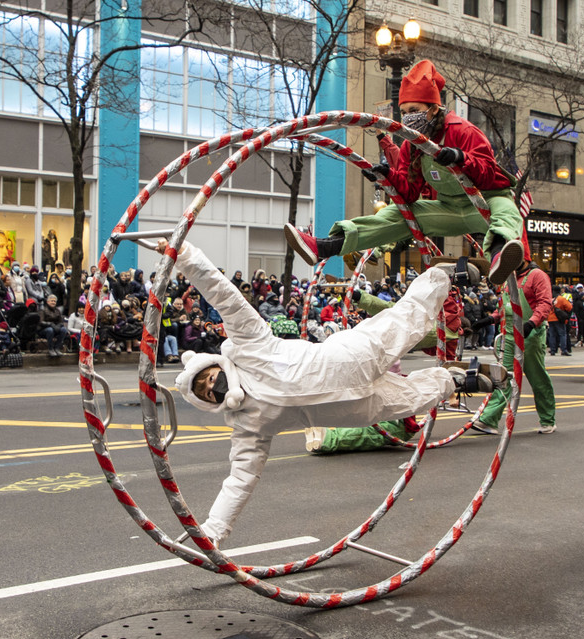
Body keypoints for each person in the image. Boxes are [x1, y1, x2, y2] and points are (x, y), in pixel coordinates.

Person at [162, 239, 502, 545]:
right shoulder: (247, 426)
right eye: (204, 392)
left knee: (406, 323)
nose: (210, 387)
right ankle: (454, 380)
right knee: (410, 399)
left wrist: (185, 256)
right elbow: (240, 479)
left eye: (207, 378)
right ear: (207, 402)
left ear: (216, 365)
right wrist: (212, 530)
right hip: (355, 410)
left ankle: (442, 276)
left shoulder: (249, 346)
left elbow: (224, 295)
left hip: (350, 359)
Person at [283, 60, 526, 286]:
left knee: (507, 211)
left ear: (433, 109)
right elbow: (409, 193)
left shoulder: (463, 131)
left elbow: (487, 172)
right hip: (449, 208)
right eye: (405, 111)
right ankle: (326, 246)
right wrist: (386, 176)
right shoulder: (412, 144)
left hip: (486, 201)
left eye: (414, 109)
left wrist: (460, 157)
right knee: (398, 212)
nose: (409, 117)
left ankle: (498, 256)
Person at [473, 259, 556, 434]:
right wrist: (488, 320)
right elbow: (503, 308)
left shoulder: (538, 276)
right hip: (510, 336)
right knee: (503, 377)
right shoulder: (507, 280)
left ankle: (548, 419)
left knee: (538, 378)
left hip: (531, 336)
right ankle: (489, 419)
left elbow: (545, 303)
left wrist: (531, 324)